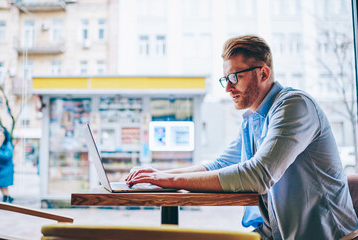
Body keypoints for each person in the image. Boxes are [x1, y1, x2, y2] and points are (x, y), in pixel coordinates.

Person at [126, 35, 358, 239]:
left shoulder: (294, 105)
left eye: (234, 77)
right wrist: (158, 175)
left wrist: (171, 181)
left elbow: (258, 175)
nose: (228, 88)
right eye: (225, 79)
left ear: (264, 73)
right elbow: (219, 165)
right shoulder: (253, 119)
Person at [0, 124, 14, 203]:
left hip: (5, 170)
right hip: (1, 169)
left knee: (3, 185)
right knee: (2, 186)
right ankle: (7, 198)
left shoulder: (7, 145)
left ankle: (7, 198)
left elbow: (6, 157)